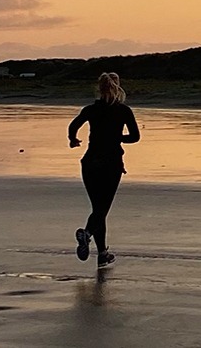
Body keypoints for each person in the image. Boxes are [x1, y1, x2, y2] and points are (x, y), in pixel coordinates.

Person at [68, 72, 140, 267]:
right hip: (111, 164)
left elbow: (73, 126)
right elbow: (135, 137)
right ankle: (87, 234)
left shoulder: (90, 109)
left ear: (99, 89)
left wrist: (73, 140)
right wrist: (116, 138)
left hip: (90, 163)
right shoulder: (124, 111)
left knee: (98, 210)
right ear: (118, 87)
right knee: (101, 210)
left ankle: (102, 253)